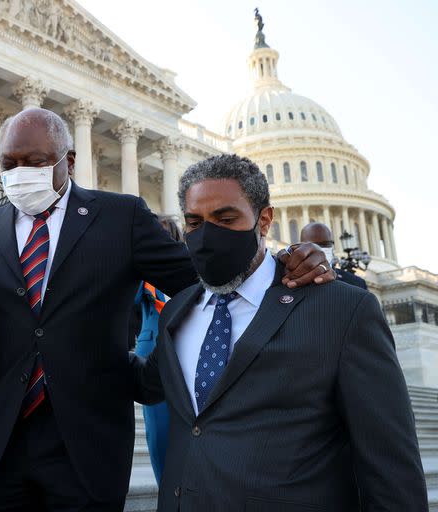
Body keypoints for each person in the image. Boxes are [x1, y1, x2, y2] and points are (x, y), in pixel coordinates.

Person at [0, 108, 333, 511]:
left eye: (35, 163)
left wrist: (280, 262)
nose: (20, 173)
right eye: (9, 164)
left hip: (89, 439)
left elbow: (201, 282)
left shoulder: (121, 218)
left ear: (68, 162)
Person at [134, 154, 427, 511]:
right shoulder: (177, 311)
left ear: (265, 219)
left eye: (226, 218)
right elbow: (150, 385)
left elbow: (390, 461)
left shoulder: (341, 310)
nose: (208, 235)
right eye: (195, 222)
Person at [133, 215, 181, 484]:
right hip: (152, 355)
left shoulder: (189, 270)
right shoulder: (142, 274)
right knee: (159, 431)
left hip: (187, 354)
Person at [301, 221, 368, 289]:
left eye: (325, 244)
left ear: (332, 246)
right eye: (313, 245)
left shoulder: (356, 283)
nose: (320, 249)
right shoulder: (293, 283)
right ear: (300, 247)